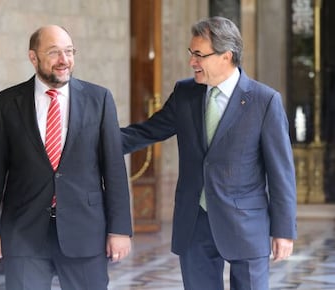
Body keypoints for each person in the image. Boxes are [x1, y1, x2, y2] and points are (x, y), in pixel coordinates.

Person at [121, 16, 297, 290]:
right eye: (191, 54)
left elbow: (281, 174)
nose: (192, 62)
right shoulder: (185, 93)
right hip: (194, 223)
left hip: (246, 226)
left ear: (226, 56)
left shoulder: (264, 101)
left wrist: (284, 231)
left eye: (199, 55)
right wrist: (90, 142)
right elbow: (146, 132)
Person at [0, 25, 132, 290]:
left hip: (85, 231)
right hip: (24, 232)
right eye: (54, 52)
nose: (64, 60)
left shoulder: (99, 99)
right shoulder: (6, 103)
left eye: (69, 51)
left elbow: (114, 170)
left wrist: (120, 229)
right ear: (33, 57)